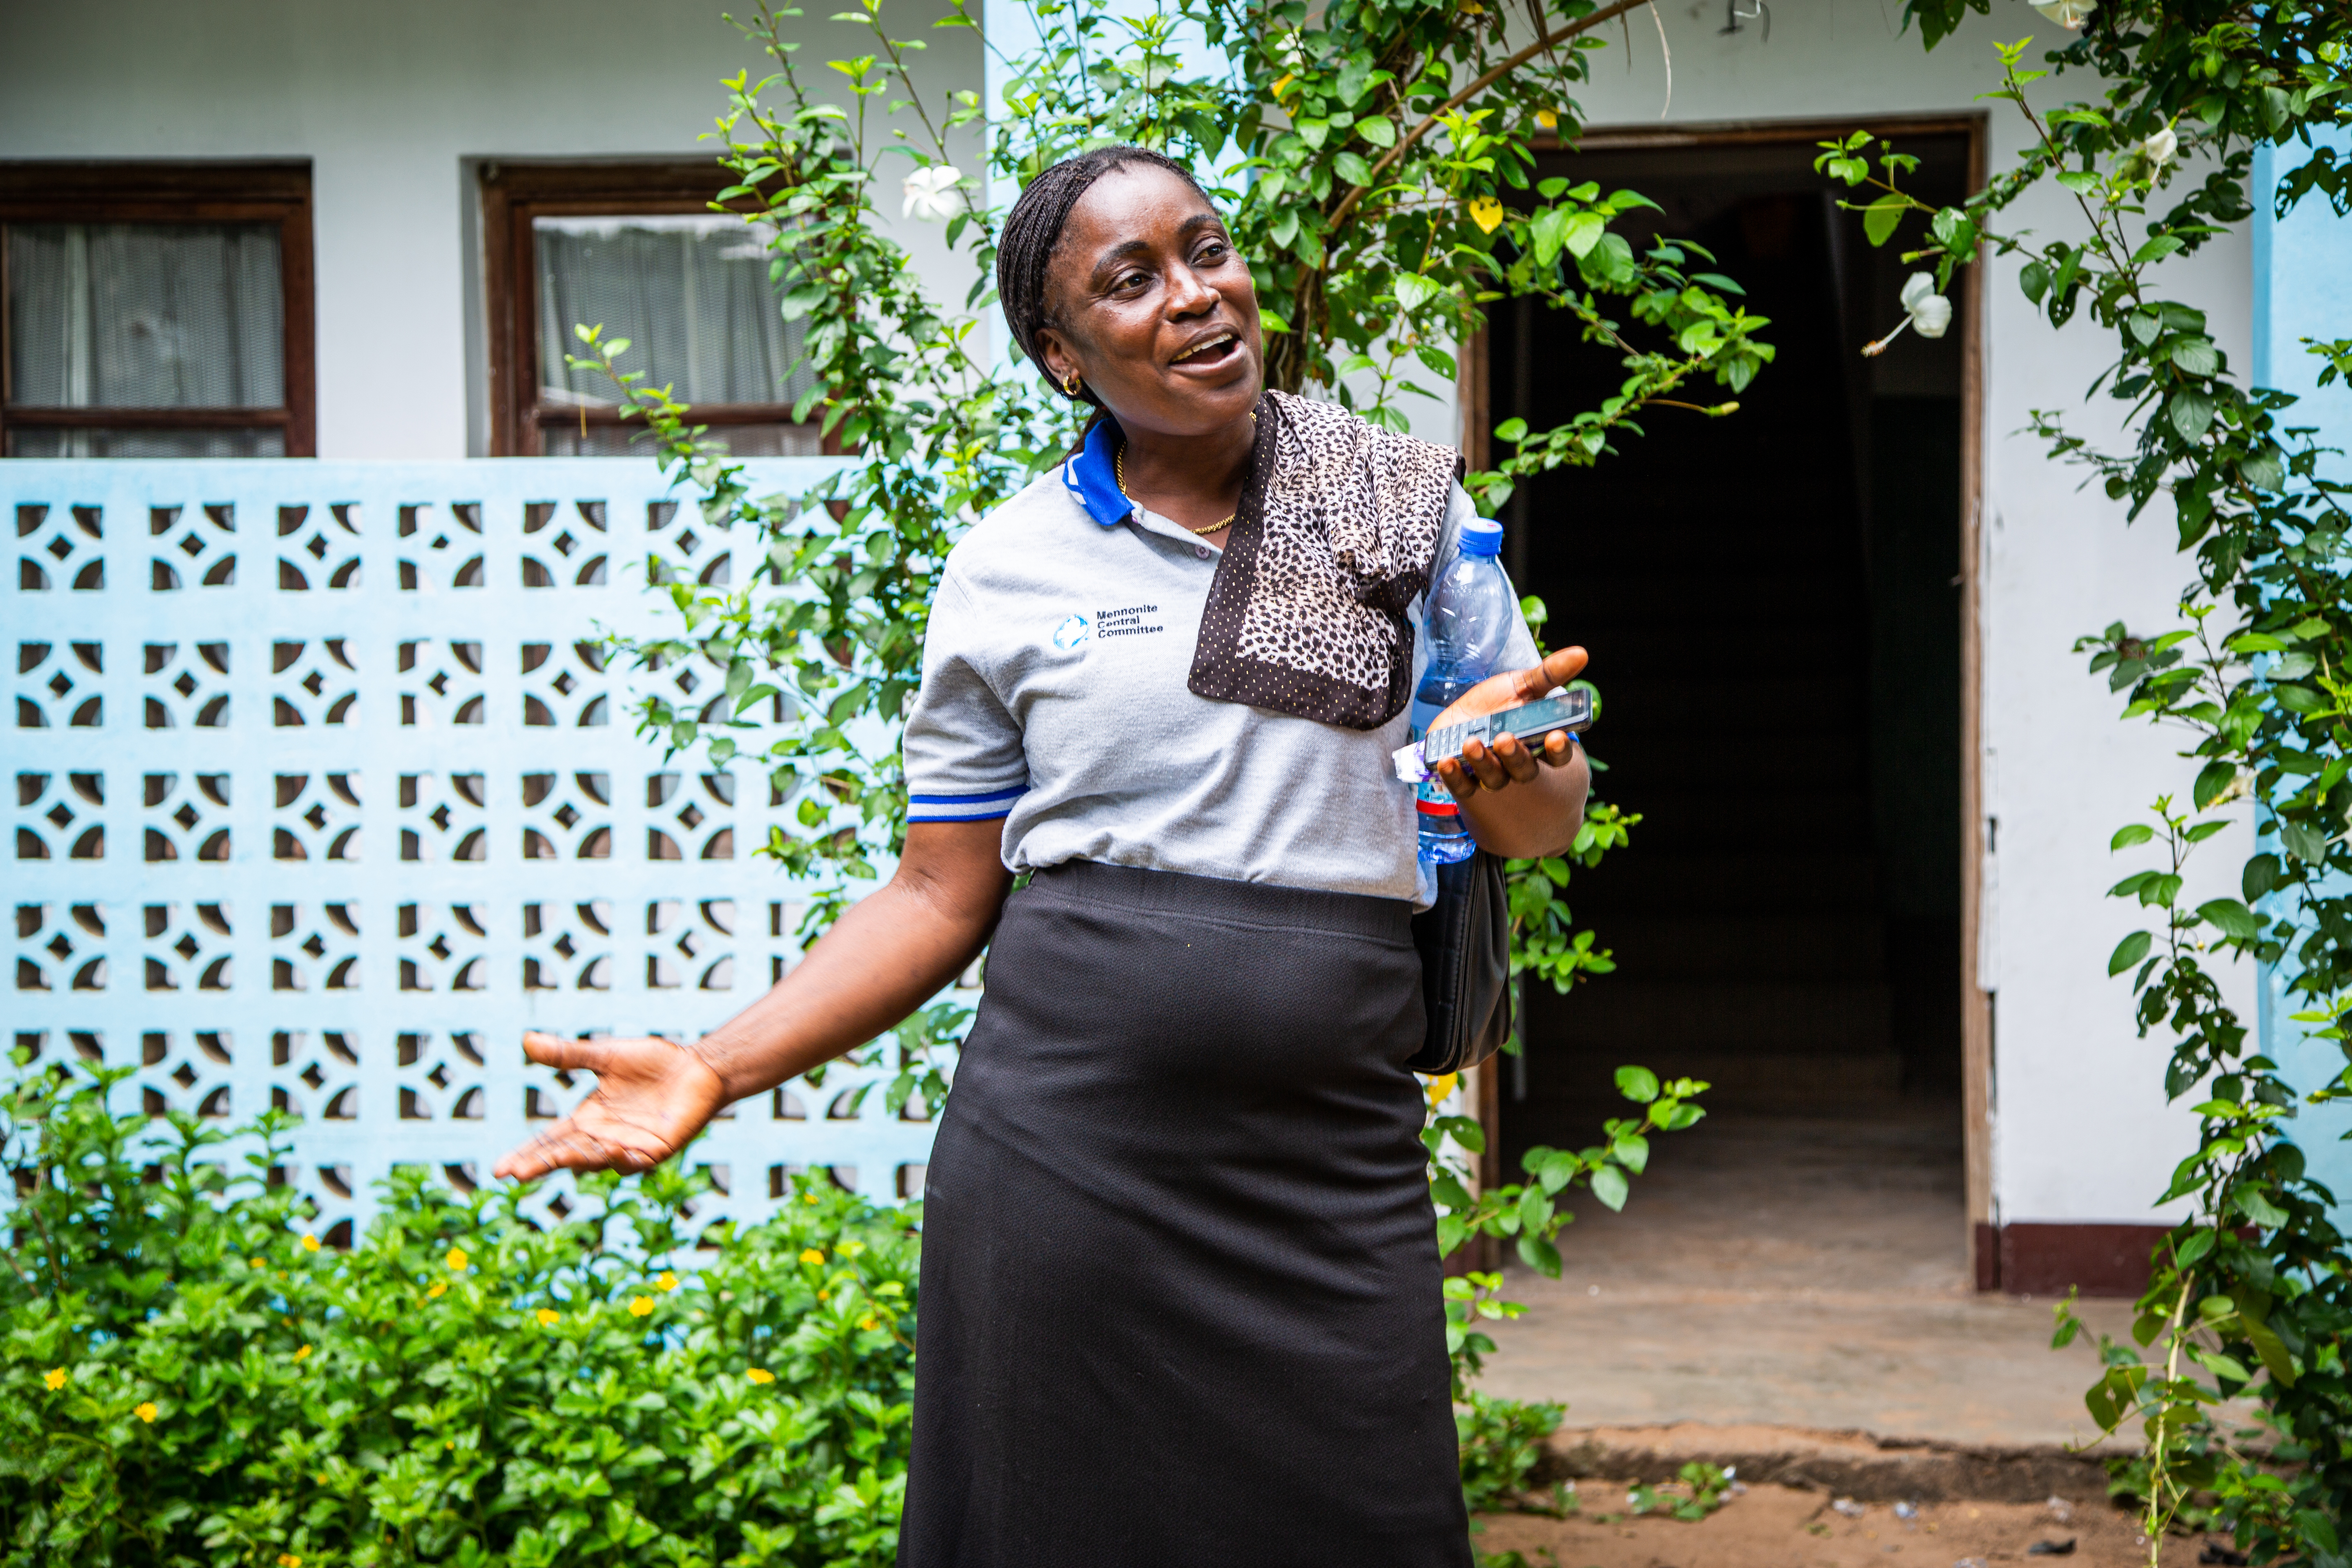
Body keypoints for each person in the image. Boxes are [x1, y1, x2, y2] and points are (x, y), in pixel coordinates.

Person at [493, 144, 1590, 1566]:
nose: (1199, 297)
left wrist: (1522, 767)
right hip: (1069, 1166)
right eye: (1133, 281)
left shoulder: (1408, 515)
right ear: (1063, 355)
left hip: (1331, 1168)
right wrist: (716, 1058)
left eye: (1208, 251)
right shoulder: (1012, 567)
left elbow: (1536, 830)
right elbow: (940, 892)